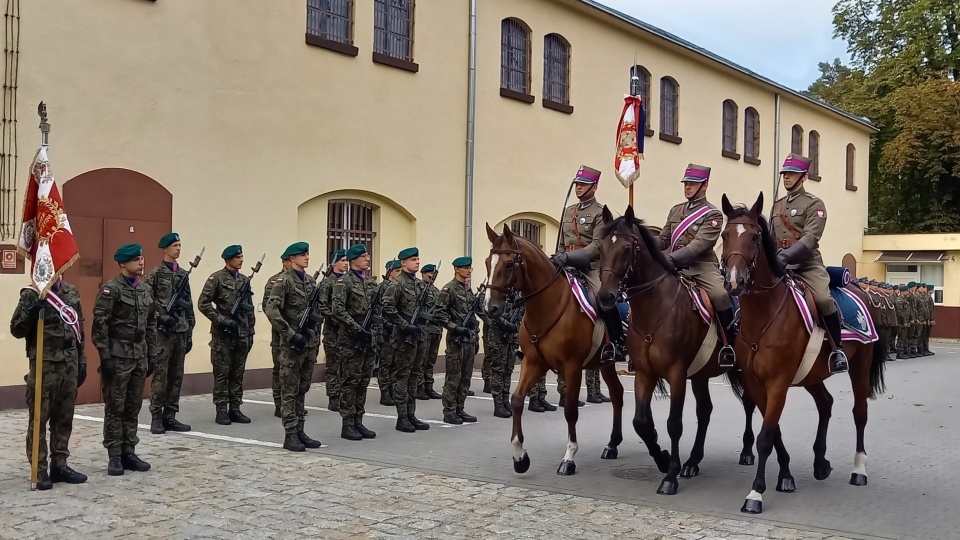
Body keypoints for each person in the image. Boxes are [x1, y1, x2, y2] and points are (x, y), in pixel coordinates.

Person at [10, 277, 88, 489]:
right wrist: (32, 311)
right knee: (39, 419)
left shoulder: (71, 290)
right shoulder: (31, 293)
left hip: (69, 366)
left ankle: (60, 464)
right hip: (45, 366)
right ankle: (40, 468)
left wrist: (82, 361)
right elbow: (16, 329)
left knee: (64, 418)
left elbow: (79, 328)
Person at [771, 153, 847, 373]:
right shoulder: (777, 206)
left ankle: (837, 349)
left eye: (791, 174)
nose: (786, 178)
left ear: (803, 177)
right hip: (778, 263)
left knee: (823, 299)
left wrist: (786, 256)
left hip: (807, 264)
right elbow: (768, 237)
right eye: (784, 173)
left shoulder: (815, 204)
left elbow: (810, 237)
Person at [655, 164, 736, 368]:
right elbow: (664, 239)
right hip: (673, 266)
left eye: (693, 183)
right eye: (687, 183)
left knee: (720, 295)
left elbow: (699, 245)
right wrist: (643, 242)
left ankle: (730, 345)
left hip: (701, 267)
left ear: (705, 185)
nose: (688, 187)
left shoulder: (713, 215)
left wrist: (671, 259)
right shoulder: (676, 210)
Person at [92, 243, 158, 476]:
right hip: (118, 356)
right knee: (115, 407)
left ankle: (129, 451)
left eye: (141, 258)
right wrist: (105, 357)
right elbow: (100, 326)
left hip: (139, 355)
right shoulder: (112, 290)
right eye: (135, 259)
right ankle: (114, 455)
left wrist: (152, 353)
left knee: (133, 406)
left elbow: (151, 323)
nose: (141, 262)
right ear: (122, 264)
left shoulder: (145, 289)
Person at [551, 165, 625, 367]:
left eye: (583, 185)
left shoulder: (600, 212)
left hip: (590, 266)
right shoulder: (568, 211)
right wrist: (558, 258)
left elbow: (597, 245)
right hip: (565, 263)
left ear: (594, 187)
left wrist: (568, 257)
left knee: (603, 297)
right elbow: (561, 242)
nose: (579, 188)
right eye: (577, 184)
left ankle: (616, 343)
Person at [265, 242, 323, 452]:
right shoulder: (283, 281)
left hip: (307, 343)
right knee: (289, 389)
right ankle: (290, 433)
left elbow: (318, 311)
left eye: (307, 253)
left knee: (302, 388)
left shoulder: (310, 281)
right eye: (302, 255)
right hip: (291, 345)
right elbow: (272, 310)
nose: (306, 257)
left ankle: (300, 430)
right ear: (291, 259)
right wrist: (290, 334)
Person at [144, 232, 196, 435]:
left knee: (176, 375)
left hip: (180, 330)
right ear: (165, 249)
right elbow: (146, 299)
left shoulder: (183, 274)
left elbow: (189, 304)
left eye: (180, 245)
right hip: (163, 333)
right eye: (175, 245)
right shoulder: (155, 274)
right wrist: (159, 314)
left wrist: (190, 330)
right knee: (161, 375)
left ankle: (171, 415)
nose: (178, 249)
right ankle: (156, 416)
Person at [198, 245, 256, 425]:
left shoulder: (245, 280)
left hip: (241, 332)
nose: (241, 260)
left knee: (238, 373)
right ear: (228, 259)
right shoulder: (216, 278)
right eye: (238, 257)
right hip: (223, 334)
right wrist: (221, 320)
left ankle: (235, 408)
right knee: (222, 373)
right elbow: (203, 303)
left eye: (242, 256)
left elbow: (249, 308)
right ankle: (221, 410)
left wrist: (251, 332)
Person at [330, 244, 379, 441]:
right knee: (350, 382)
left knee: (363, 382)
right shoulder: (344, 282)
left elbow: (377, 309)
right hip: (350, 340)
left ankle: (359, 420)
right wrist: (356, 328)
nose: (367, 259)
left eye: (368, 255)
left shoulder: (370, 283)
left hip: (367, 340)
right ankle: (347, 423)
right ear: (353, 260)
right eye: (363, 256)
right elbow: (337, 310)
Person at [382, 247, 431, 433]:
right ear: (403, 263)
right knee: (402, 377)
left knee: (414, 376)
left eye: (418, 259)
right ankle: (402, 417)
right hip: (403, 338)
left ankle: (411, 414)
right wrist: (404, 325)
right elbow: (387, 308)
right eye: (413, 259)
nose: (417, 262)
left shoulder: (419, 284)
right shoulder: (397, 284)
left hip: (418, 336)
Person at [434, 256, 483, 425]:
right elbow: (439, 313)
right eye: (465, 268)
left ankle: (459, 408)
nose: (469, 270)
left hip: (469, 340)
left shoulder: (467, 291)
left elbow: (477, 312)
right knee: (453, 377)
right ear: (456, 269)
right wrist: (454, 327)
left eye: (470, 267)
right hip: (456, 340)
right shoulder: (449, 289)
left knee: (465, 377)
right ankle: (449, 411)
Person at [319, 249, 347, 411]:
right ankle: (333, 396)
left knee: (345, 365)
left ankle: (343, 393)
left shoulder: (346, 281)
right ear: (334, 262)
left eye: (346, 260)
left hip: (346, 332)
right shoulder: (327, 282)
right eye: (342, 260)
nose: (345, 263)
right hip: (333, 331)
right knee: (333, 366)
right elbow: (322, 305)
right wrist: (336, 319)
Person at [486, 293, 523, 417]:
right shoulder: (497, 294)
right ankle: (498, 404)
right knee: (498, 370)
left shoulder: (517, 298)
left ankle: (505, 401)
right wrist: (507, 324)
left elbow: (523, 315)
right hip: (498, 338)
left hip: (512, 339)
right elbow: (490, 312)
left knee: (508, 370)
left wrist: (516, 327)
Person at [265, 255, 291, 417]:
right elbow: (269, 307)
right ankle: (279, 404)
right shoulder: (274, 281)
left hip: (299, 336)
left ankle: (292, 404)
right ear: (285, 262)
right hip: (280, 335)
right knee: (280, 369)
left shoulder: (306, 281)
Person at [417, 263, 443, 400]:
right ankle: (419, 387)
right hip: (424, 329)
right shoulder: (420, 288)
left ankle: (429, 386)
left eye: (434, 274)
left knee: (431, 360)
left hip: (436, 329)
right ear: (423, 274)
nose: (432, 276)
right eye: (430, 274)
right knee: (422, 359)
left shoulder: (436, 290)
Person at [377, 260, 402, 405]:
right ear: (390, 271)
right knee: (385, 363)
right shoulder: (382, 287)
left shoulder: (399, 286)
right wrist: (384, 323)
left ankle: (393, 389)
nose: (399, 273)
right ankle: (385, 392)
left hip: (397, 330)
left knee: (395, 362)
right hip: (386, 331)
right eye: (397, 271)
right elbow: (376, 309)